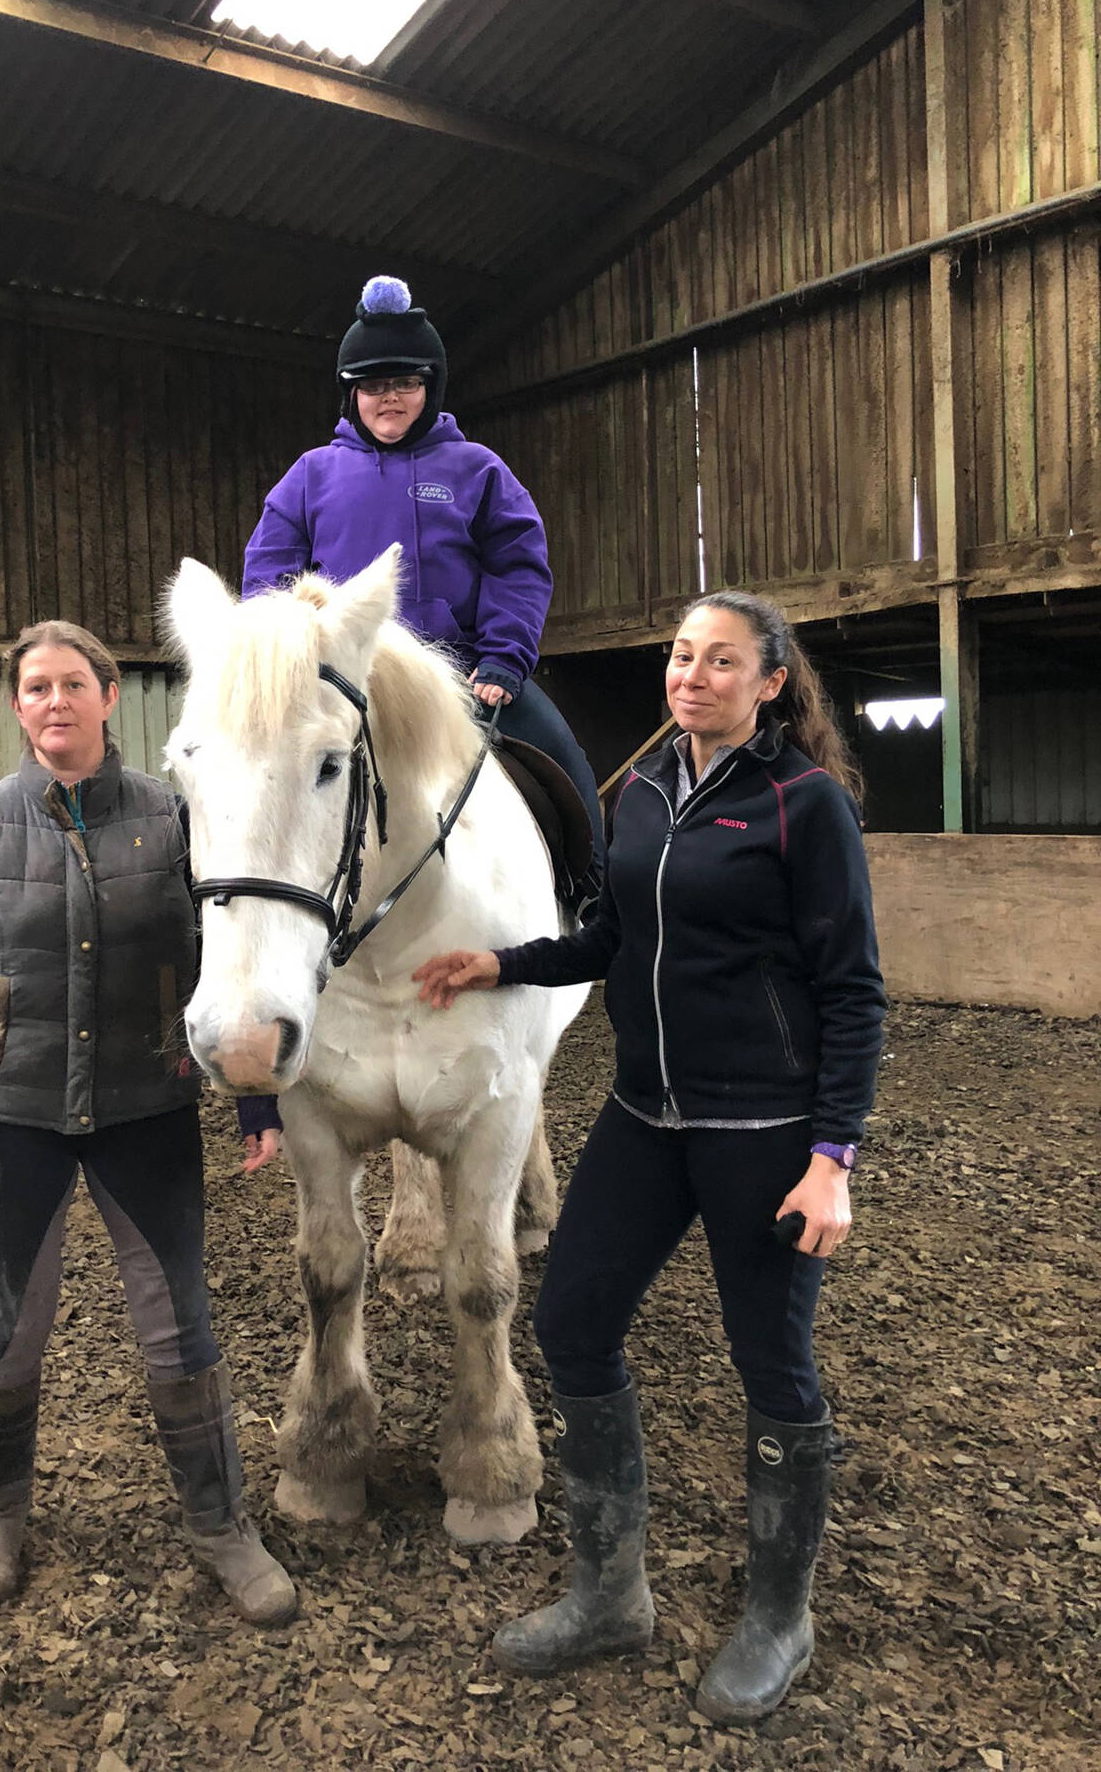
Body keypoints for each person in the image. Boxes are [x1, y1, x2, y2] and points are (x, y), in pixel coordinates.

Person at [413, 590, 886, 1725]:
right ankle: (609, 1591)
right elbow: (614, 937)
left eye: (722, 661)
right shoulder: (645, 793)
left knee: (772, 1366)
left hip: (759, 1128)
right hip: (643, 1116)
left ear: (771, 682)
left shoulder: (804, 806)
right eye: (683, 656)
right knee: (573, 1320)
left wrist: (833, 1155)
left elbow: (853, 990)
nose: (692, 675)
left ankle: (780, 1616)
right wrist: (504, 963)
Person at [0, 619, 295, 1624]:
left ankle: (220, 1522)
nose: (55, 702)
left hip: (142, 1108)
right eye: (36, 688)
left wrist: (254, 1090)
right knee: (10, 1328)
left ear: (112, 696)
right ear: (18, 705)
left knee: (179, 1325)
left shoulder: (172, 819)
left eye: (74, 683)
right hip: (9, 1116)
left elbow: (226, 962)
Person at [241, 273, 605, 910]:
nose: (389, 399)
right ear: (353, 393)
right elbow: (267, 575)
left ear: (428, 388)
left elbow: (518, 565)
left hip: (462, 669)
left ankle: (591, 888)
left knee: (562, 754)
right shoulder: (311, 475)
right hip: (344, 671)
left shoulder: (477, 468)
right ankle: (226, 897)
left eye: (405, 383)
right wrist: (281, 662)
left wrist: (505, 658)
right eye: (373, 386)